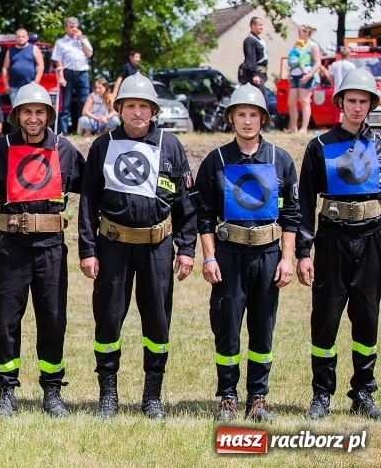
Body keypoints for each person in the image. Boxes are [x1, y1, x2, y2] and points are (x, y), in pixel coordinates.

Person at [78, 73, 196, 420]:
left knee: (158, 322)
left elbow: (186, 203)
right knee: (108, 319)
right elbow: (87, 201)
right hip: (112, 246)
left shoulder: (171, 145)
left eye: (144, 106)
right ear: (119, 109)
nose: (137, 112)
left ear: (154, 110)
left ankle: (152, 396)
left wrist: (186, 248)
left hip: (157, 247)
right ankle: (108, 395)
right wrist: (87, 250)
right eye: (131, 105)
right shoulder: (102, 145)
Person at [0, 82, 85, 418]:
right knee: (4, 319)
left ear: (49, 115)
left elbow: (91, 189)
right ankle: (5, 388)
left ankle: (52, 390)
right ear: (18, 116)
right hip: (11, 248)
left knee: (53, 319)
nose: (33, 118)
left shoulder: (65, 149)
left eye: (39, 112)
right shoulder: (1, 149)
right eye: (27, 112)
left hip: (51, 249)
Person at [196, 85, 300, 422]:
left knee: (262, 327)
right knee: (227, 326)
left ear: (263, 119)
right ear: (231, 118)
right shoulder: (217, 160)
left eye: (253, 114)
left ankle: (258, 398)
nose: (247, 120)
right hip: (228, 254)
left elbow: (291, 217)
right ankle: (227, 396)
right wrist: (209, 257)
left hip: (268, 255)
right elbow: (205, 215)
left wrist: (287, 259)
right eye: (241, 114)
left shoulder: (280, 160)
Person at [296, 68, 381, 421]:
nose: (358, 107)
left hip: (372, 238)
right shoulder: (319, 146)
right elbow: (303, 204)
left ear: (371, 105)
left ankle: (363, 390)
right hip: (332, 239)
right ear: (341, 103)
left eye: (364, 101)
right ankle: (321, 393)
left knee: (367, 318)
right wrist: (303, 251)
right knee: (326, 317)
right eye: (352, 101)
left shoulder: (379, 144)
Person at [52, 17, 93, 135]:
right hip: (67, 73)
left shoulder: (83, 39)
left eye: (75, 26)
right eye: (71, 27)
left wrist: (81, 40)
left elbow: (89, 54)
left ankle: (83, 130)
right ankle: (63, 132)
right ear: (66, 28)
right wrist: (61, 76)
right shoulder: (60, 42)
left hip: (83, 73)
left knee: (84, 102)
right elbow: (58, 60)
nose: (74, 29)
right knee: (65, 103)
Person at [286, 25, 322, 133]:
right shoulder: (298, 45)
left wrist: (310, 75)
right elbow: (294, 59)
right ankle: (293, 127)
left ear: (307, 33)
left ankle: (304, 128)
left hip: (305, 75)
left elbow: (318, 63)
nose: (299, 34)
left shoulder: (312, 45)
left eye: (301, 32)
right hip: (294, 75)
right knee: (291, 102)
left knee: (304, 101)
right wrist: (289, 72)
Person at [2, 28, 44, 105]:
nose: (21, 38)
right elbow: (5, 68)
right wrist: (6, 85)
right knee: (16, 112)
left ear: (27, 37)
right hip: (14, 87)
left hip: (30, 86)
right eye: (19, 36)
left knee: (30, 109)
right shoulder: (10, 51)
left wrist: (36, 82)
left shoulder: (34, 48)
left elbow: (41, 65)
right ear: (16, 38)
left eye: (23, 36)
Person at [241, 17, 268, 97]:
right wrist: (254, 75)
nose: (262, 27)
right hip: (256, 75)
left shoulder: (258, 40)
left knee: (262, 100)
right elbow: (250, 58)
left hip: (261, 74)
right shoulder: (250, 40)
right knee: (260, 100)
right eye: (260, 25)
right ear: (253, 25)